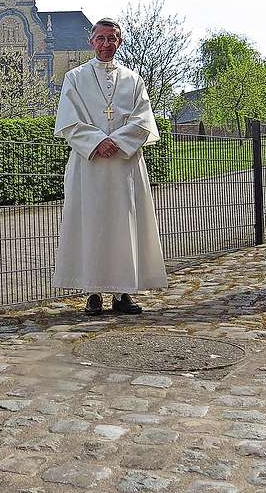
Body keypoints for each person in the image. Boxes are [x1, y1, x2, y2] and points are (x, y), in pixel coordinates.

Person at [51, 18, 167, 315]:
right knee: (91, 226)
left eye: (112, 38)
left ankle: (123, 293)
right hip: (89, 165)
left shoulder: (133, 79)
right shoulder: (75, 77)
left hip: (124, 165)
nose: (106, 44)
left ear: (120, 41)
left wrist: (117, 141)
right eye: (101, 38)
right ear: (91, 41)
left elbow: (143, 119)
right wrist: (97, 142)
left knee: (124, 227)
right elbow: (68, 119)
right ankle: (92, 292)